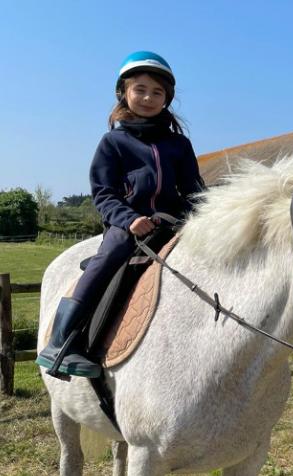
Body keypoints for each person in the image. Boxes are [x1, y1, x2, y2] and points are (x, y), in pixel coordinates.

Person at [36, 51, 206, 378]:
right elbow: (103, 193)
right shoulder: (113, 142)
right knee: (108, 257)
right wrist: (129, 219)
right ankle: (61, 343)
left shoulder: (179, 145)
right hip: (127, 226)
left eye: (157, 92)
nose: (148, 97)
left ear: (167, 99)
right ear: (124, 93)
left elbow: (193, 190)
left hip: (173, 223)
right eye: (141, 89)